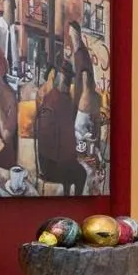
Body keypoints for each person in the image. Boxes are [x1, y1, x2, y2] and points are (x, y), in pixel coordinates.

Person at [36, 64, 87, 196]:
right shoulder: (56, 101)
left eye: (69, 80)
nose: (69, 84)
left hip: (54, 162)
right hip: (52, 165)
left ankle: (66, 192)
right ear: (61, 80)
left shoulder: (57, 98)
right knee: (82, 174)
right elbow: (48, 141)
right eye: (67, 80)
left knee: (76, 166)